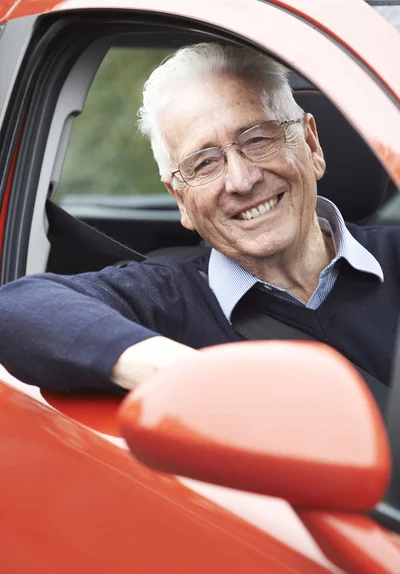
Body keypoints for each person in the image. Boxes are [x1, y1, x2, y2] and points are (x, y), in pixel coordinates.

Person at [0, 42, 399, 392]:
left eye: (257, 139)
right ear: (179, 198)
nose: (241, 181)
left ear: (311, 144)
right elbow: (17, 308)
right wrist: (190, 377)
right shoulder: (164, 301)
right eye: (204, 163)